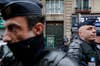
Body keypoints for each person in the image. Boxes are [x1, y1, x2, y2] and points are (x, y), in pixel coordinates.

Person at [0, 1, 78, 66]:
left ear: (38, 29)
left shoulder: (62, 64)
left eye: (13, 28)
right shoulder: (9, 60)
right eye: (6, 29)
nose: (5, 38)